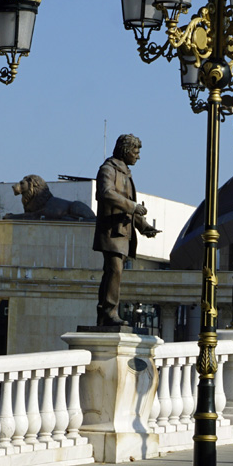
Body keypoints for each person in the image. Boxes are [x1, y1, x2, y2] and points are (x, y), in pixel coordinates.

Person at [93, 134, 159, 327]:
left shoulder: (125, 172)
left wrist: (143, 225)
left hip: (123, 232)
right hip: (111, 231)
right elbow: (106, 193)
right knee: (114, 270)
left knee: (114, 272)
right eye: (136, 151)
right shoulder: (108, 169)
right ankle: (108, 312)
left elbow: (128, 206)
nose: (138, 156)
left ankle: (107, 312)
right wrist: (132, 206)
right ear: (125, 150)